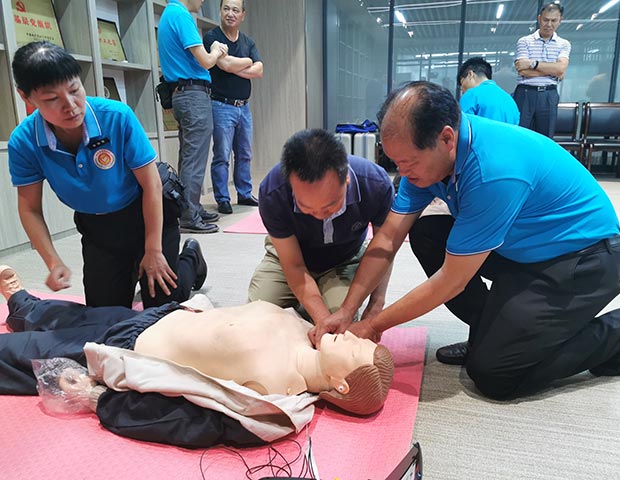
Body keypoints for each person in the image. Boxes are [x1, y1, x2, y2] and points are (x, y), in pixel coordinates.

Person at [315, 81, 620, 401]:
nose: (402, 172)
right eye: (395, 163)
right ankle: (490, 335)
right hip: (522, 249)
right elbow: (388, 237)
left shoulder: (493, 170)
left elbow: (451, 281)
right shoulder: (428, 158)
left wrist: (374, 325)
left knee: (495, 374)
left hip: (582, 260)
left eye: (408, 163)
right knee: (428, 234)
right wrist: (347, 310)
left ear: (446, 138)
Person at [0, 265, 394, 446]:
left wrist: (97, 398)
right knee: (68, 314)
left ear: (341, 384)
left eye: (356, 349)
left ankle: (23, 317)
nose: (352, 336)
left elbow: (187, 421)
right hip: (157, 318)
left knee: (21, 353)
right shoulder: (308, 331)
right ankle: (22, 304)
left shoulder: (275, 400)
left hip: (124, 352)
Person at [8, 41, 207, 309]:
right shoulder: (24, 142)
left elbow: (151, 185)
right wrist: (53, 262)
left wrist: (153, 250)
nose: (71, 106)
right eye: (52, 99)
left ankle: (191, 258)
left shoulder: (116, 116)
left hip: (146, 211)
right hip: (98, 228)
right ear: (26, 97)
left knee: (162, 305)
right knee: (104, 314)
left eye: (74, 90)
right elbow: (30, 209)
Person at [248, 129, 394, 331]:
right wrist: (322, 320)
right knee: (258, 317)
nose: (319, 215)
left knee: (341, 321)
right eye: (306, 207)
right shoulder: (273, 191)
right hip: (287, 259)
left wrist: (375, 304)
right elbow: (294, 266)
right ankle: (307, 301)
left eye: (330, 205)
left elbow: (384, 249)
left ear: (346, 179)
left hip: (345, 258)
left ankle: (315, 299)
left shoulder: (375, 184)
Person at [157, 0, 229, 233]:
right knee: (194, 158)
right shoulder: (181, 15)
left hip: (182, 93)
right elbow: (206, 61)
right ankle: (189, 215)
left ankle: (191, 208)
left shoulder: (170, 14)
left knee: (189, 156)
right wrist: (217, 49)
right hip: (192, 95)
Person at [203, 0, 263, 215]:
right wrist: (247, 61)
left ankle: (244, 193)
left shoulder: (248, 41)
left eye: (235, 10)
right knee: (222, 155)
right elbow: (224, 64)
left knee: (245, 153)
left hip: (244, 107)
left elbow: (259, 70)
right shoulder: (212, 37)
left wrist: (235, 64)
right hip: (221, 105)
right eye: (226, 8)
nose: (230, 13)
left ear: (242, 15)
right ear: (220, 11)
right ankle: (222, 198)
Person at [513, 2, 571, 137]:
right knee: (520, 135)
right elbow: (523, 71)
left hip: (549, 95)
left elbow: (561, 69)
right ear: (539, 18)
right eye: (546, 20)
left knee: (546, 137)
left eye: (553, 20)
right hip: (525, 93)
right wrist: (552, 70)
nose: (549, 24)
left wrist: (533, 63)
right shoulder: (524, 41)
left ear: (560, 20)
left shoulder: (564, 44)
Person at [457, 57, 520, 125]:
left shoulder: (471, 95)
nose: (462, 91)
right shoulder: (510, 101)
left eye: (462, 82)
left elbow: (463, 127)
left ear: (470, 74)